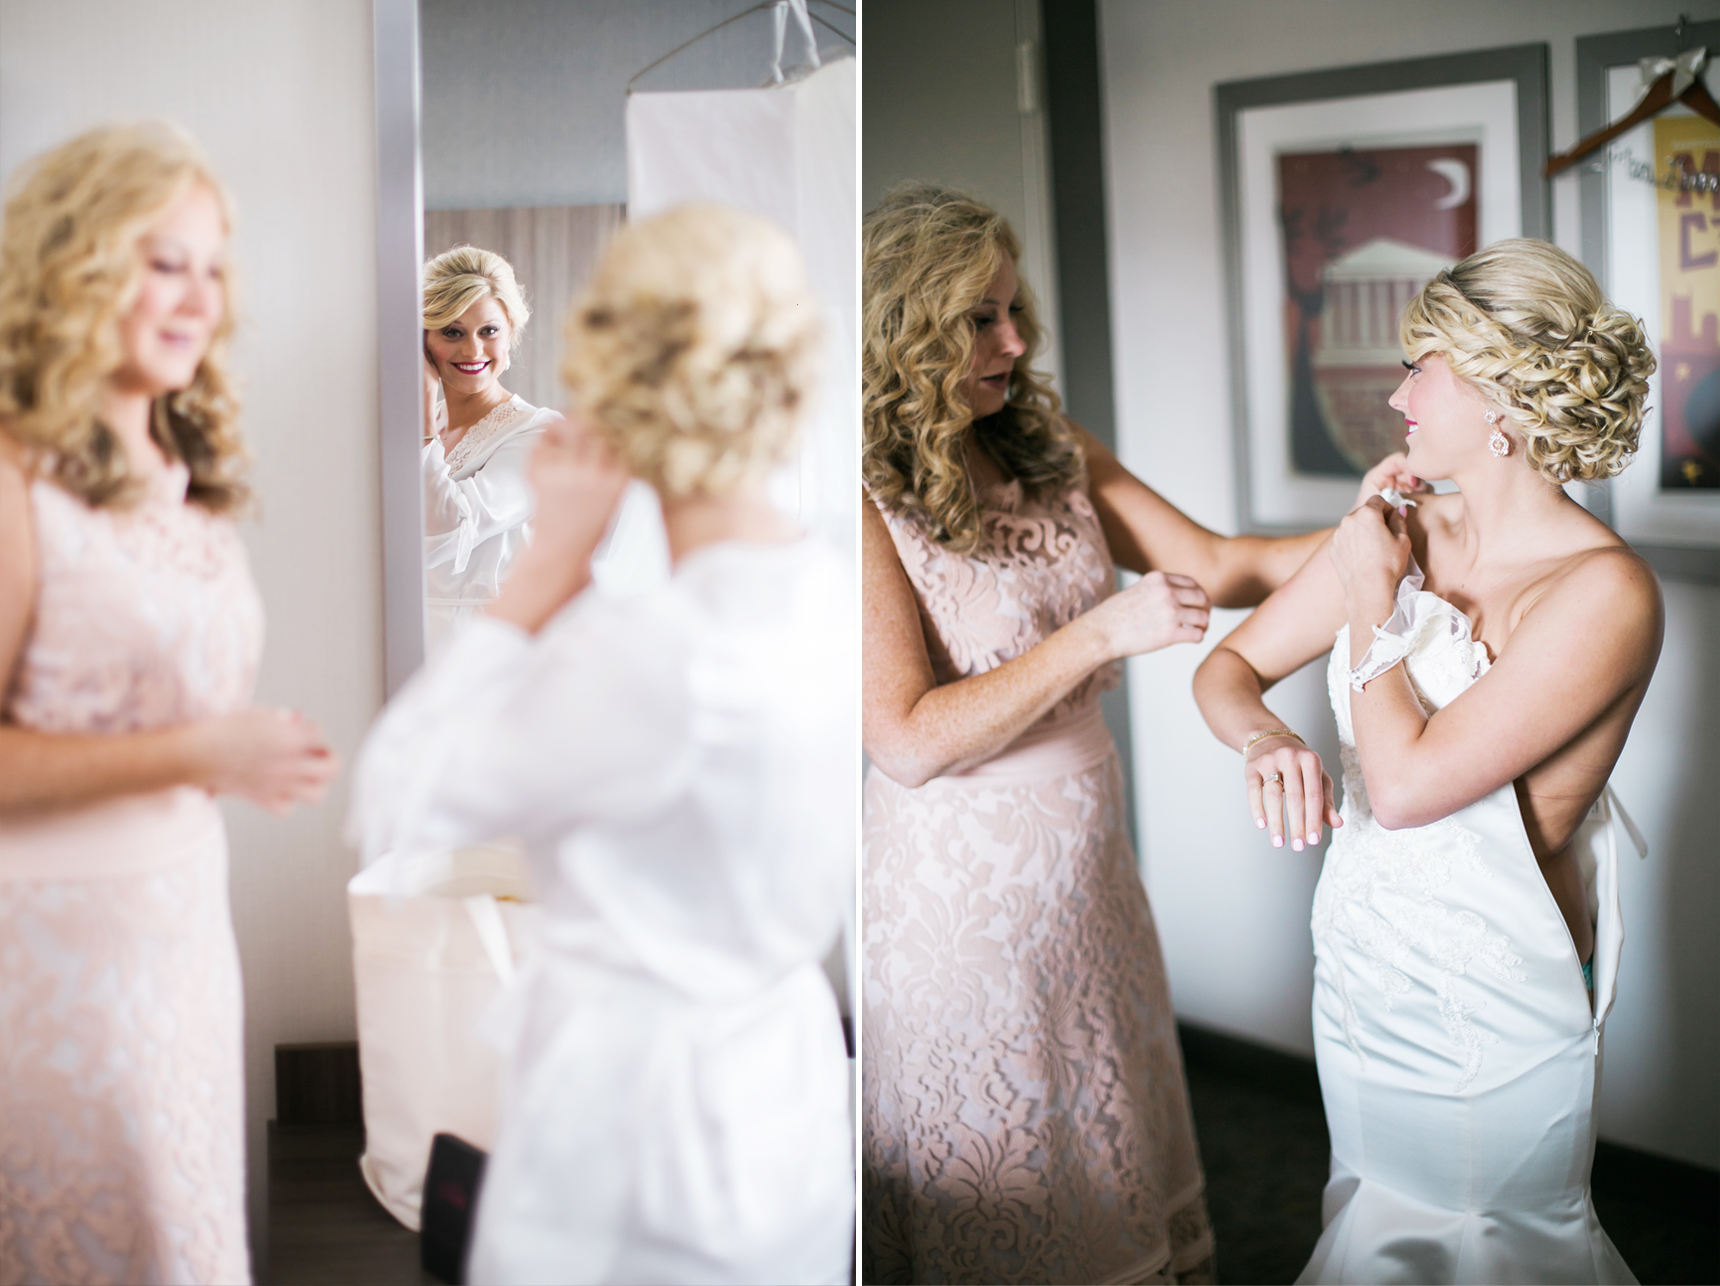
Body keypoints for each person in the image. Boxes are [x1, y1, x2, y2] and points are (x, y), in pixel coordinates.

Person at [859, 184, 1413, 1285]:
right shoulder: (857, 500)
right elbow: (906, 740)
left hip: (1089, 875)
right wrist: (1096, 633)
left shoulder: (1048, 444)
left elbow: (1221, 561)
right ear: (903, 324)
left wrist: (1379, 524)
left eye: (1014, 311)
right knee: (1011, 1182)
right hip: (957, 905)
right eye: (979, 319)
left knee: (1107, 1153)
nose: (1014, 341)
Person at [352, 204, 855, 1285]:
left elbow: (395, 801)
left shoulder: (655, 650)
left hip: (636, 1132)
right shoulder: (822, 587)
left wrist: (543, 571)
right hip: (788, 1100)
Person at [1191, 238, 1658, 1284]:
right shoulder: (1400, 531)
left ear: (1500, 396)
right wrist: (1263, 735)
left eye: (1422, 365)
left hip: (1491, 992)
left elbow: (1401, 787)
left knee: (1483, 1241)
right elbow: (1224, 669)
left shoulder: (1602, 593)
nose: (1397, 392)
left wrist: (1370, 599)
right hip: (1362, 959)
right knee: (1373, 1216)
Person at [0, 123, 336, 1284]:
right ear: (72, 266)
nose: (198, 295)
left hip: (182, 937)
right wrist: (200, 747)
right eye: (161, 260)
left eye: (212, 264)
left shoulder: (183, 481)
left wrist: (239, 753)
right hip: (52, 959)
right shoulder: (13, 478)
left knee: (184, 1230)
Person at [420, 245, 563, 656]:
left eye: (489, 331)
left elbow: (447, 530)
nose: (473, 352)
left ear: (511, 334)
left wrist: (423, 420)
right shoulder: (405, 431)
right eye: (452, 332)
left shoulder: (539, 436)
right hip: (402, 641)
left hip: (479, 649)